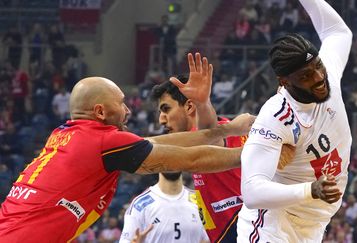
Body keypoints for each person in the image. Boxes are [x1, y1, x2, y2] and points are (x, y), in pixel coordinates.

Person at [0, 74, 254, 242]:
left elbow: (152, 143)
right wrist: (258, 152)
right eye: (121, 103)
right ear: (100, 111)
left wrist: (225, 130)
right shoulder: (102, 141)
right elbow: (191, 160)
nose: (128, 110)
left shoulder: (67, 134)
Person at [237, 0, 353, 242]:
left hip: (313, 224)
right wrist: (310, 189)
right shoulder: (278, 116)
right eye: (306, 75)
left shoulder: (328, 73)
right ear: (284, 81)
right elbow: (251, 191)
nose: (319, 77)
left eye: (318, 66)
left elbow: (338, 32)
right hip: (274, 223)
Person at [151, 52, 245, 242]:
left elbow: (208, 132)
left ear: (189, 107)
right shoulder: (192, 140)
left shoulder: (214, 132)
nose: (161, 119)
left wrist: (203, 103)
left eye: (166, 109)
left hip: (243, 228)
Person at [119, 172, 209, 243]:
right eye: (167, 158)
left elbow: (209, 238)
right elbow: (126, 240)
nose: (171, 163)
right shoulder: (139, 205)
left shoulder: (199, 200)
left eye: (174, 158)